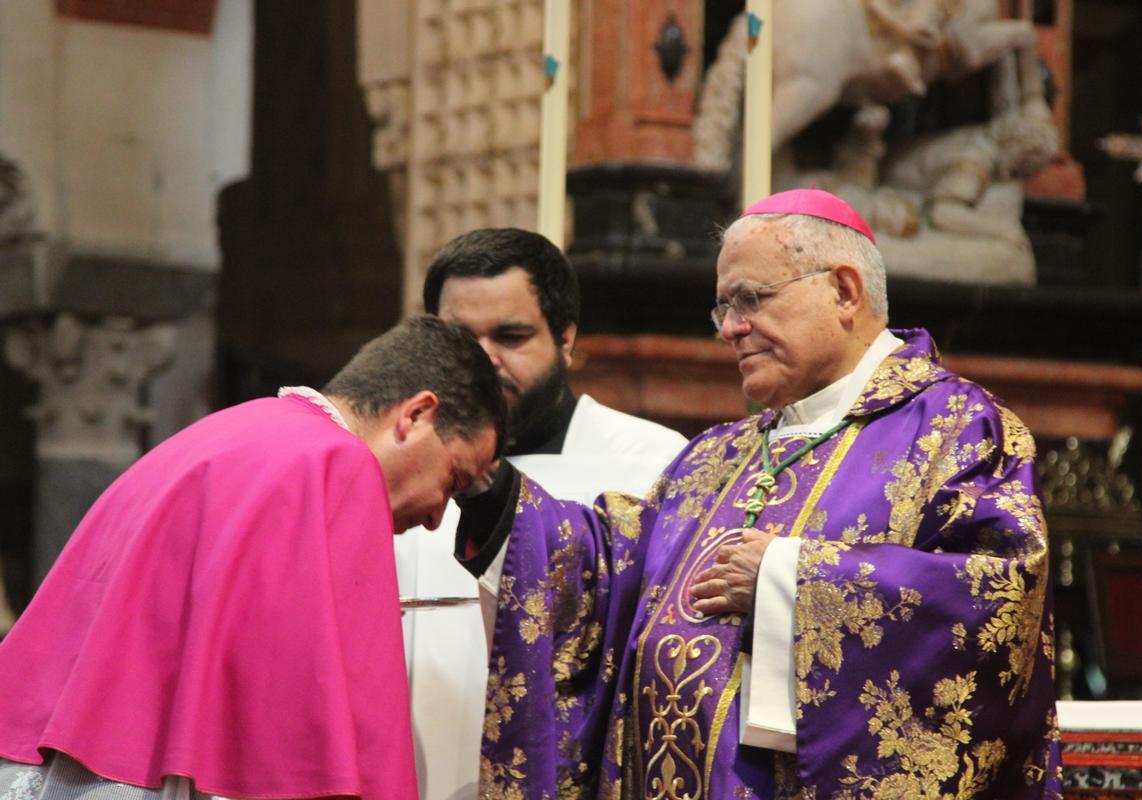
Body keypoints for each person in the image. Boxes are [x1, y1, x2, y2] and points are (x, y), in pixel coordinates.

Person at [455, 191, 1061, 799]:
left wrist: (787, 578)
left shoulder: (956, 428)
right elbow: (612, 569)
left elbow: (997, 600)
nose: (730, 329)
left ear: (845, 291)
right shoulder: (719, 451)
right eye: (721, 308)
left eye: (750, 299)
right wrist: (487, 484)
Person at [0, 316, 506, 800]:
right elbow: (342, 715)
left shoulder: (239, 430)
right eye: (454, 479)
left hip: (64, 750)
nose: (439, 516)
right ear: (417, 414)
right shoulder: (339, 464)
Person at [395, 228, 687, 800]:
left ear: (567, 340)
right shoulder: (390, 464)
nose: (481, 361)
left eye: (511, 336)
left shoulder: (654, 465)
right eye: (459, 338)